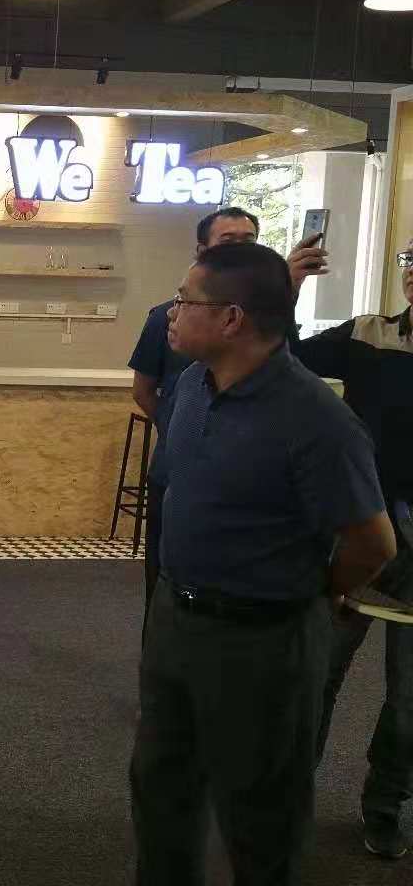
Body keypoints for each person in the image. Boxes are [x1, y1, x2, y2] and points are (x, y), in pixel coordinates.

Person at [130, 242, 395, 886]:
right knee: (161, 789)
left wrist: (314, 592)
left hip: (264, 637)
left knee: (261, 815)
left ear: (231, 319)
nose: (170, 312)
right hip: (175, 618)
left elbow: (373, 542)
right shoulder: (190, 385)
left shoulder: (316, 419)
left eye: (185, 300)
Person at [128, 207, 326, 632]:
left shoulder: (314, 408)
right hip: (175, 474)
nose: (239, 251)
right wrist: (182, 431)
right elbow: (143, 389)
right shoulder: (174, 338)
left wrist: (287, 291)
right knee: (167, 584)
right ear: (202, 251)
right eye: (228, 242)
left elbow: (366, 539)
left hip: (257, 610)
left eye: (248, 242)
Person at [299, 244, 413, 860]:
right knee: (317, 672)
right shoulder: (369, 333)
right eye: (412, 263)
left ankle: (386, 804)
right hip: (358, 533)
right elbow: (287, 356)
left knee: (409, 703)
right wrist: (288, 285)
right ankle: (290, 792)